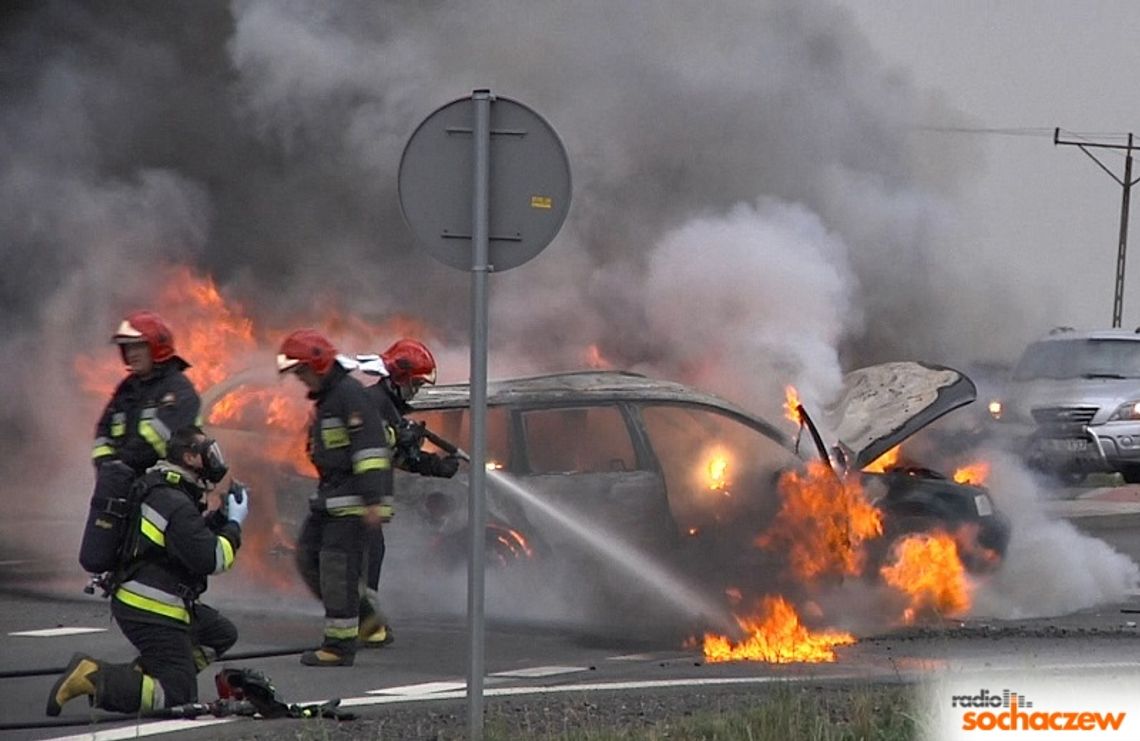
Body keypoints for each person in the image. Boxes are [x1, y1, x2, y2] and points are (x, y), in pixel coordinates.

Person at [47, 426, 248, 716]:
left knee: (219, 634)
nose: (214, 458)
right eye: (207, 451)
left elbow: (183, 543)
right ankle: (91, 676)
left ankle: (149, 673)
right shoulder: (173, 500)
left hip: (161, 600)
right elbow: (210, 559)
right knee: (178, 697)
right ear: (190, 457)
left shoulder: (166, 490)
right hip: (151, 607)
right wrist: (235, 526)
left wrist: (220, 518)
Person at [278, 328, 393, 667]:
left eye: (302, 371)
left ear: (319, 364)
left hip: (353, 501)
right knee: (307, 558)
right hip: (332, 497)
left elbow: (370, 451)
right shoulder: (330, 399)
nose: (300, 379)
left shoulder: (348, 395)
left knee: (336, 569)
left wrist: (373, 501)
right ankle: (369, 624)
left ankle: (339, 647)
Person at [355, 339, 461, 648]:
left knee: (369, 561)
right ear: (398, 377)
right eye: (414, 384)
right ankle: (365, 628)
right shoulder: (370, 403)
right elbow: (369, 450)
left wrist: (436, 465)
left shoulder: (385, 405)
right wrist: (399, 438)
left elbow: (398, 457)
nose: (415, 391)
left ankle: (363, 626)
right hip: (357, 503)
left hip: (368, 506)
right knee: (363, 563)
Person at [80, 311, 201, 575]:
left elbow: (157, 441)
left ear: (157, 347)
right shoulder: (128, 389)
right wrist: (106, 467)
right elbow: (104, 430)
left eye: (138, 346)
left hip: (165, 490)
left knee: (157, 561)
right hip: (128, 486)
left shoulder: (178, 391)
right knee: (120, 555)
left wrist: (120, 465)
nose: (131, 353)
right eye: (127, 348)